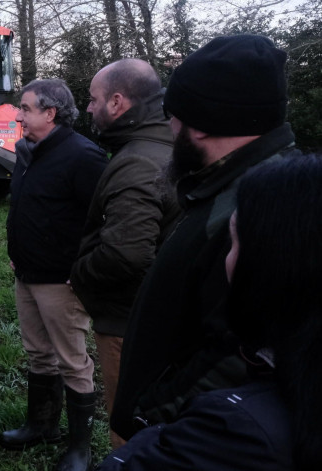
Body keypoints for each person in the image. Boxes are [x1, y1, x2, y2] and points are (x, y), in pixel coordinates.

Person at [111, 34, 299, 441]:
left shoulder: (260, 209)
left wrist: (153, 414)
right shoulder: (238, 184)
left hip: (189, 439)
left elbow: (243, 352)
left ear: (199, 124)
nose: (168, 125)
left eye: (172, 114)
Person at [97, 154, 320, 471]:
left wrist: (156, 432)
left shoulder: (233, 430)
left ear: (272, 264)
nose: (226, 260)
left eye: (234, 242)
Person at [69, 59, 180, 449]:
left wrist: (79, 272)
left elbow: (126, 254)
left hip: (126, 321)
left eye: (92, 99)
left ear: (117, 103)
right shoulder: (165, 143)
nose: (87, 108)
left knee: (127, 424)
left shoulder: (135, 161)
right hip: (160, 315)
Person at [1, 78, 107, 471]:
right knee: (38, 354)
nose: (18, 115)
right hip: (27, 274)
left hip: (62, 281)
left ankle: (80, 449)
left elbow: (105, 219)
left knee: (72, 362)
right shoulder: (30, 152)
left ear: (50, 113)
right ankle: (41, 426)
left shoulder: (84, 157)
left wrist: (82, 268)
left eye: (25, 108)